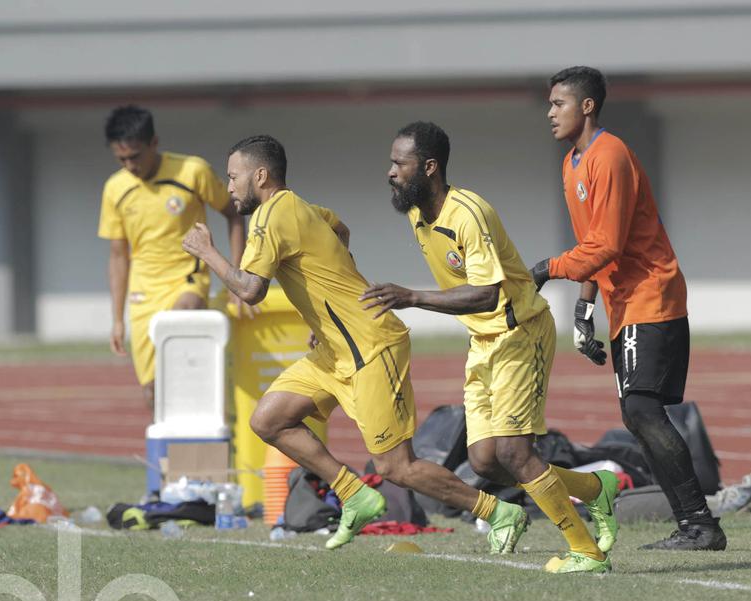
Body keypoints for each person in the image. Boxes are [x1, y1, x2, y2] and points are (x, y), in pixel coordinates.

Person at [182, 134, 530, 551]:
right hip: (333, 350)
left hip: (371, 346)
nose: (229, 186)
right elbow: (339, 229)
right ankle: (355, 494)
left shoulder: (270, 217)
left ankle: (499, 511)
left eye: (233, 176)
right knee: (268, 420)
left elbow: (251, 289)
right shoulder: (301, 206)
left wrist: (209, 252)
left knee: (396, 467)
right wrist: (330, 304)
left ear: (260, 175)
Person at [362, 121, 622, 573]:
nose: (390, 172)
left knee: (514, 453)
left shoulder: (468, 213)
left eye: (398, 164)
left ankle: (586, 550)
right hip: (483, 340)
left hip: (520, 331)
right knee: (485, 461)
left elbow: (487, 293)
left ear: (429, 168)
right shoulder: (418, 212)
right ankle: (595, 488)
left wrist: (413, 296)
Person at [531, 66, 726, 550]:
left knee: (642, 410)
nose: (550, 112)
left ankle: (699, 523)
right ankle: (693, 524)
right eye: (549, 103)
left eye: (559, 103)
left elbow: (609, 245)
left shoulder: (609, 155)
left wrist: (545, 269)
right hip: (623, 303)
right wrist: (583, 307)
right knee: (637, 414)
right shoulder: (571, 163)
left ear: (587, 106)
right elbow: (593, 244)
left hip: (650, 295)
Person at [98, 105, 248, 409]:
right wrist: (116, 319)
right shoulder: (115, 189)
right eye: (121, 158)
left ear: (154, 143)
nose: (129, 165)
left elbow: (234, 214)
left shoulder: (192, 171)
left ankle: (203, 434)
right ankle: (167, 457)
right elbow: (117, 256)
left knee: (181, 322)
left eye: (135, 156)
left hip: (186, 280)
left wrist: (238, 278)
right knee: (153, 394)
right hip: (144, 294)